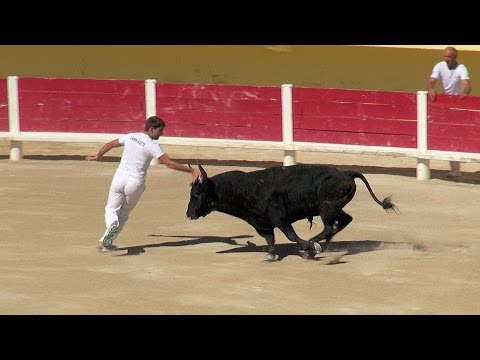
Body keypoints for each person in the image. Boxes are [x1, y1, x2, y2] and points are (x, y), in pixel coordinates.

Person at [86, 115, 201, 252]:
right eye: (160, 131)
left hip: (120, 177)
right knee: (124, 213)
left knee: (111, 209)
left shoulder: (130, 136)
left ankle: (109, 233)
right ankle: (107, 241)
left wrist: (98, 156)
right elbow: (169, 163)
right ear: (151, 129)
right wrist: (191, 170)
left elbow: (110, 144)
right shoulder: (152, 145)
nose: (161, 134)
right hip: (135, 182)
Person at [427, 46, 472, 178]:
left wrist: (464, 92)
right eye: (445, 57)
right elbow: (431, 80)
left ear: (455, 58)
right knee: (449, 135)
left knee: (457, 135)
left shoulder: (461, 68)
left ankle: (456, 168)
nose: (446, 60)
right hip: (446, 104)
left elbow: (466, 83)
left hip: (458, 105)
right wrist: (430, 88)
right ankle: (455, 169)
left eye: (449, 57)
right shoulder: (440, 66)